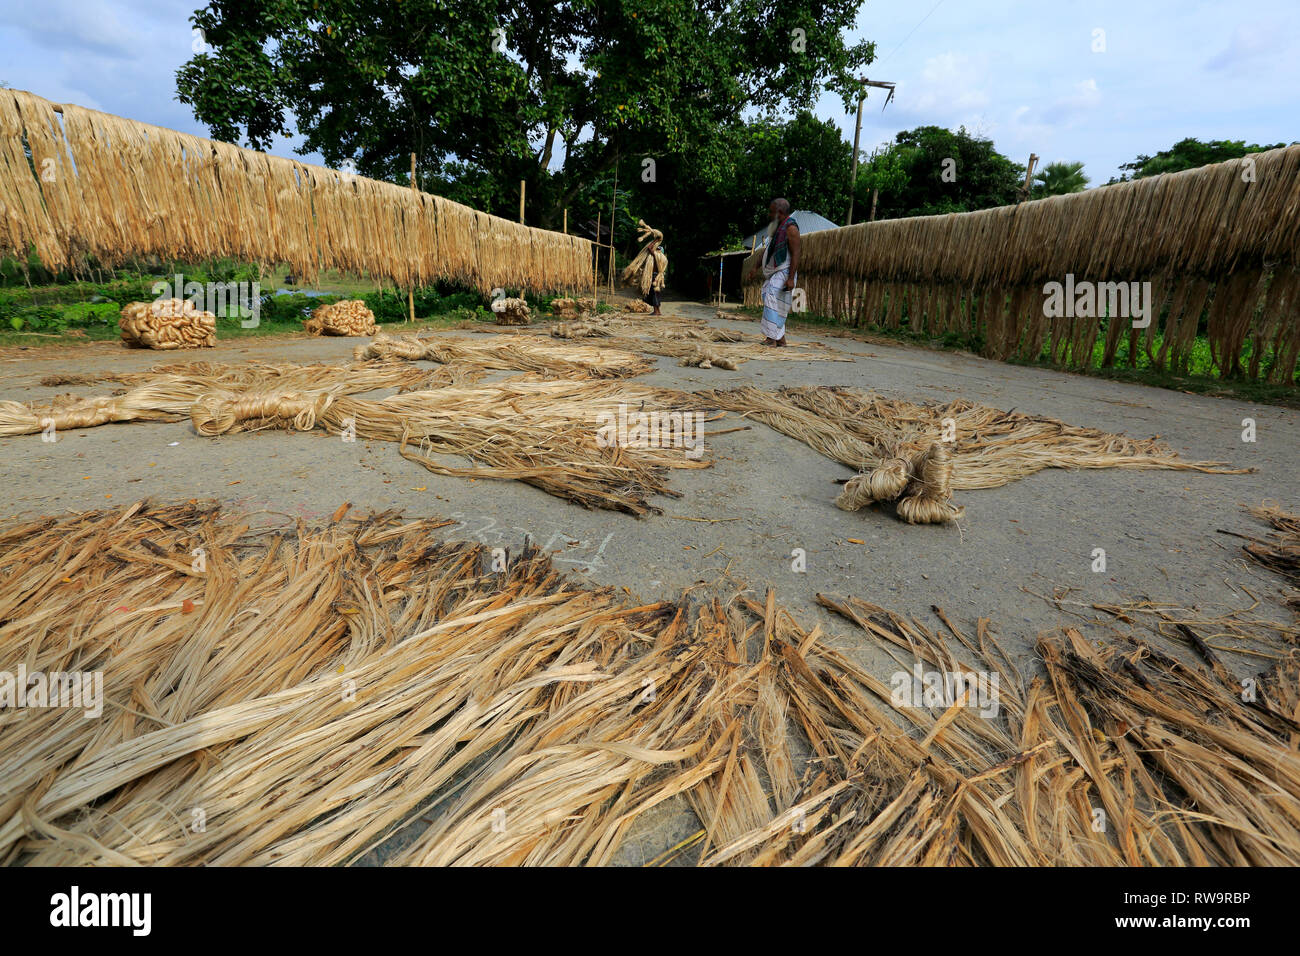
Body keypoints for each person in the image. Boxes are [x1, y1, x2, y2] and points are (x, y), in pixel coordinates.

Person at [745, 199, 800, 346]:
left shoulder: (791, 229)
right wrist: (755, 268)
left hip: (785, 271)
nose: (769, 214)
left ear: (780, 213)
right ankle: (780, 339)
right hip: (775, 273)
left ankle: (771, 339)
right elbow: (767, 251)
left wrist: (790, 278)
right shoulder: (777, 228)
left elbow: (796, 254)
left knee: (770, 295)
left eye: (771, 211)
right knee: (770, 299)